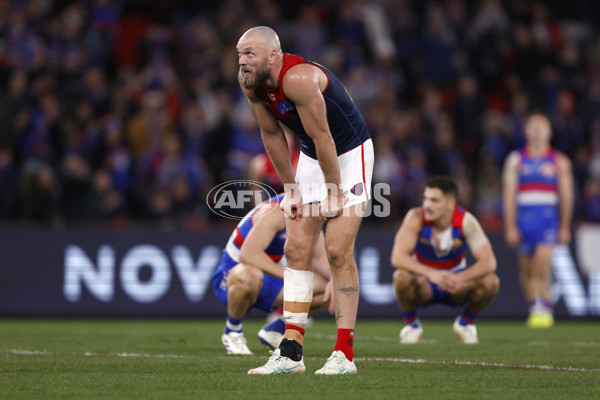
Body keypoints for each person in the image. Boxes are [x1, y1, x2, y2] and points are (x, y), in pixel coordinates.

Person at [236, 26, 373, 375]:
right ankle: (290, 351)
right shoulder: (249, 82)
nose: (242, 61)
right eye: (239, 53)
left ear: (273, 55)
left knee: (338, 250)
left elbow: (325, 135)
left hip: (349, 153)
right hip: (314, 154)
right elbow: (271, 133)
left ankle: (344, 355)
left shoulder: (297, 78)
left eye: (249, 53)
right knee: (296, 249)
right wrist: (291, 187)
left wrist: (331, 190)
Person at [211, 193, 333, 355]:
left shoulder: (310, 213)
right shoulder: (275, 211)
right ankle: (232, 332)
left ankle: (275, 330)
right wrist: (290, 276)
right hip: (233, 275)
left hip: (267, 278)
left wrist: (338, 281)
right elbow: (248, 255)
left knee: (328, 289)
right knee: (251, 276)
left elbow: (319, 258)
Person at [390, 176, 499, 344]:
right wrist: (431, 273)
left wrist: (459, 278)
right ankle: (411, 325)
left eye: (434, 200)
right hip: (425, 283)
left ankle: (465, 324)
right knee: (400, 277)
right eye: (425, 198)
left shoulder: (466, 221)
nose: (426, 205)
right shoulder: (416, 217)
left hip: (456, 284)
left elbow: (489, 262)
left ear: (450, 203)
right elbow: (397, 257)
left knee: (491, 281)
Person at [502, 111, 574, 328]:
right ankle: (535, 306)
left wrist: (564, 226)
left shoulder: (559, 162)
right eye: (532, 125)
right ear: (525, 130)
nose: (536, 130)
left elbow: (567, 196)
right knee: (526, 269)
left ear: (549, 132)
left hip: (547, 221)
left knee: (542, 266)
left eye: (541, 126)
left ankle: (546, 306)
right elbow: (508, 195)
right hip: (524, 221)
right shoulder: (515, 160)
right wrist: (510, 226)